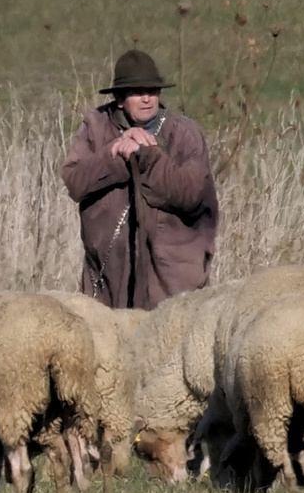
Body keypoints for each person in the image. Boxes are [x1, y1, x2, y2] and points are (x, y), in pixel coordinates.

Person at [60, 49, 219, 309]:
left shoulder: (183, 133)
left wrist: (147, 157)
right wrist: (114, 154)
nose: (147, 98)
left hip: (172, 277)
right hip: (108, 274)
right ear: (120, 99)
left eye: (152, 91)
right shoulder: (96, 127)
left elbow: (191, 195)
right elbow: (75, 181)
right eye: (137, 92)